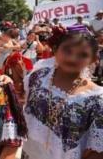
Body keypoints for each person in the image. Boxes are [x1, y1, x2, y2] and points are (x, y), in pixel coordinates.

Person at [22, 31, 103, 159]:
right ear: (55, 49)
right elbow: (23, 104)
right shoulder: (39, 76)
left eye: (83, 55)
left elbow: (97, 152)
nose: (72, 58)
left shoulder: (96, 99)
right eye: (67, 51)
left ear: (93, 59)